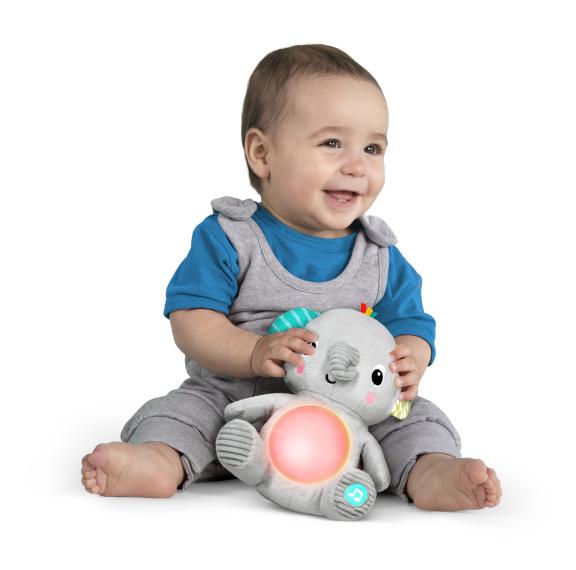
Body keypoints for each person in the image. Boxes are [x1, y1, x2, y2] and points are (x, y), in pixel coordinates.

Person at [81, 44, 501, 511]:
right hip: (234, 402)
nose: (357, 165)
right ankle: (157, 460)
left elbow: (412, 324)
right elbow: (191, 319)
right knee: (183, 415)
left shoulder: (379, 255)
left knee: (413, 420)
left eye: (373, 148)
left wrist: (410, 359)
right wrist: (253, 351)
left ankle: (431, 470)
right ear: (262, 153)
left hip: (349, 414)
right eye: (332, 143)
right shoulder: (231, 237)